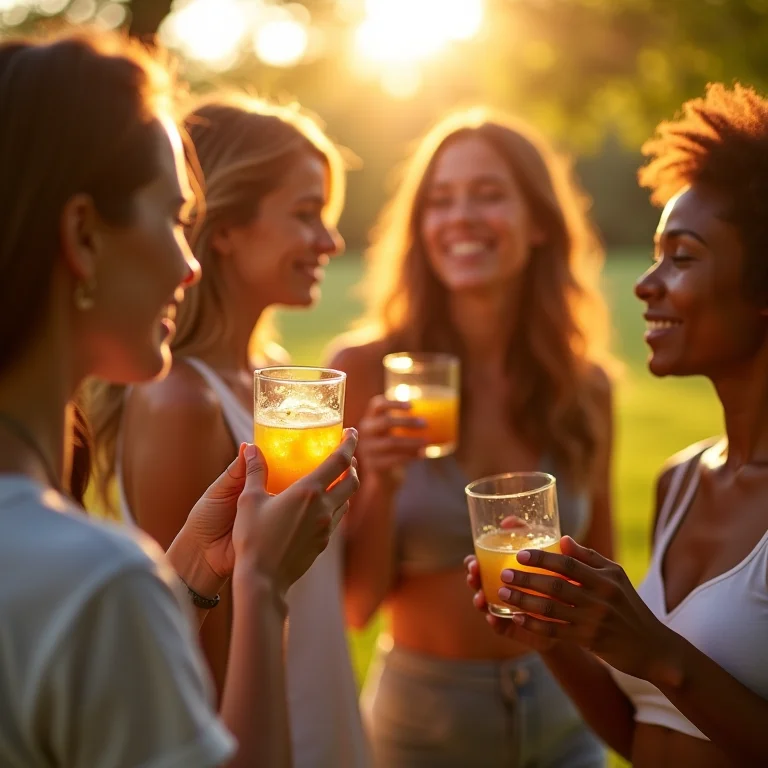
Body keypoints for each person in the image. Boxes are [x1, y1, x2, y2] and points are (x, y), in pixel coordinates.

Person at [0, 30, 359, 768]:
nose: (188, 264)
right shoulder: (95, 581)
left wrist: (194, 576)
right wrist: (259, 586)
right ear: (83, 237)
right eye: (172, 217)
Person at [467, 83, 768, 768]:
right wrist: (557, 636)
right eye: (656, 254)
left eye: (682, 257)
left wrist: (658, 653)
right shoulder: (682, 481)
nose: (646, 283)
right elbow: (645, 738)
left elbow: (668, 672)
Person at [86, 94, 370, 767]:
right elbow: (190, 666)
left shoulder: (275, 382)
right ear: (226, 230)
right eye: (307, 215)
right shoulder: (179, 402)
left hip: (326, 726)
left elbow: (323, 587)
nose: (330, 242)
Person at [327, 108, 616, 767]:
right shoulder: (367, 369)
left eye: (489, 194)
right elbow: (354, 606)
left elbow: (602, 584)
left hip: (564, 717)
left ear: (540, 222)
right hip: (422, 724)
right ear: (420, 227)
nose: (460, 217)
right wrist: (382, 482)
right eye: (440, 200)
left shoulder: (586, 386)